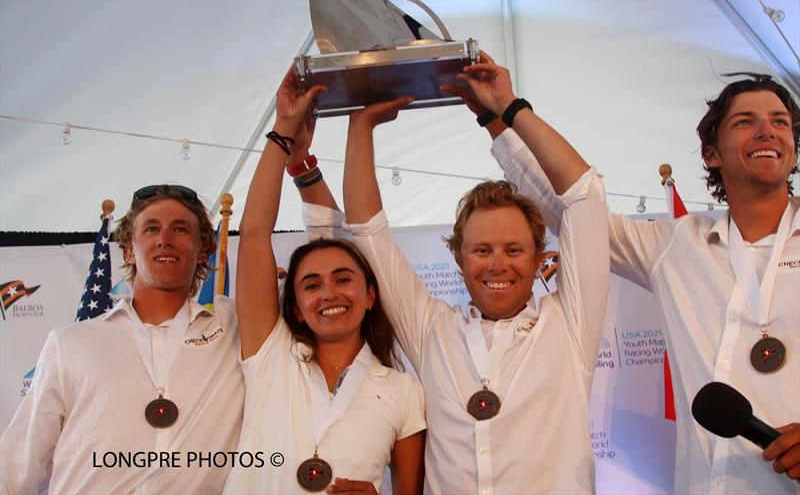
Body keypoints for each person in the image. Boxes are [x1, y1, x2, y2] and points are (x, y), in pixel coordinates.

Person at [461, 57, 800, 493]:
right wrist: (499, 113)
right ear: (711, 154)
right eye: (745, 122)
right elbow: (573, 208)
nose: (767, 131)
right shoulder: (677, 244)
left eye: (780, 122)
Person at [301, 69, 610, 491]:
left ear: (540, 258)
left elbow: (584, 196)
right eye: (482, 251)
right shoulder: (433, 330)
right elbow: (367, 234)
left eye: (514, 250)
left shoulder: (571, 322)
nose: (498, 264)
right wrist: (362, 124)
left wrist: (508, 109)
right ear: (459, 259)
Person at [223, 70, 425, 495]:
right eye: (311, 285)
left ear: (370, 295)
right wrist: (282, 131)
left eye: (343, 279)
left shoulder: (404, 391)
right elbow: (255, 232)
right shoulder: (271, 353)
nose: (329, 293)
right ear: (295, 305)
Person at [0, 185, 244, 493]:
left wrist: (300, 167)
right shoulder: (69, 343)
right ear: (128, 250)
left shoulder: (235, 328)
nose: (164, 239)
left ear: (203, 251)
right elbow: (18, 466)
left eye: (180, 229)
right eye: (151, 228)